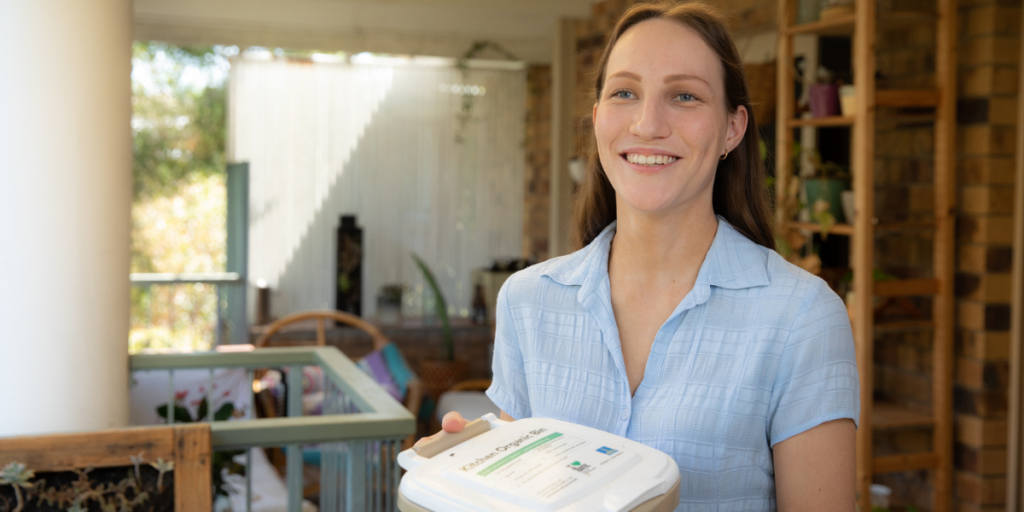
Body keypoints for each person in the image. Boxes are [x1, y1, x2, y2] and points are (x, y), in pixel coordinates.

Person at [418, 2, 859, 510]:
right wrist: (464, 481)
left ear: (733, 129)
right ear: (598, 119)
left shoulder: (802, 317)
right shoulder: (528, 301)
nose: (648, 124)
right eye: (624, 93)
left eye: (685, 96)